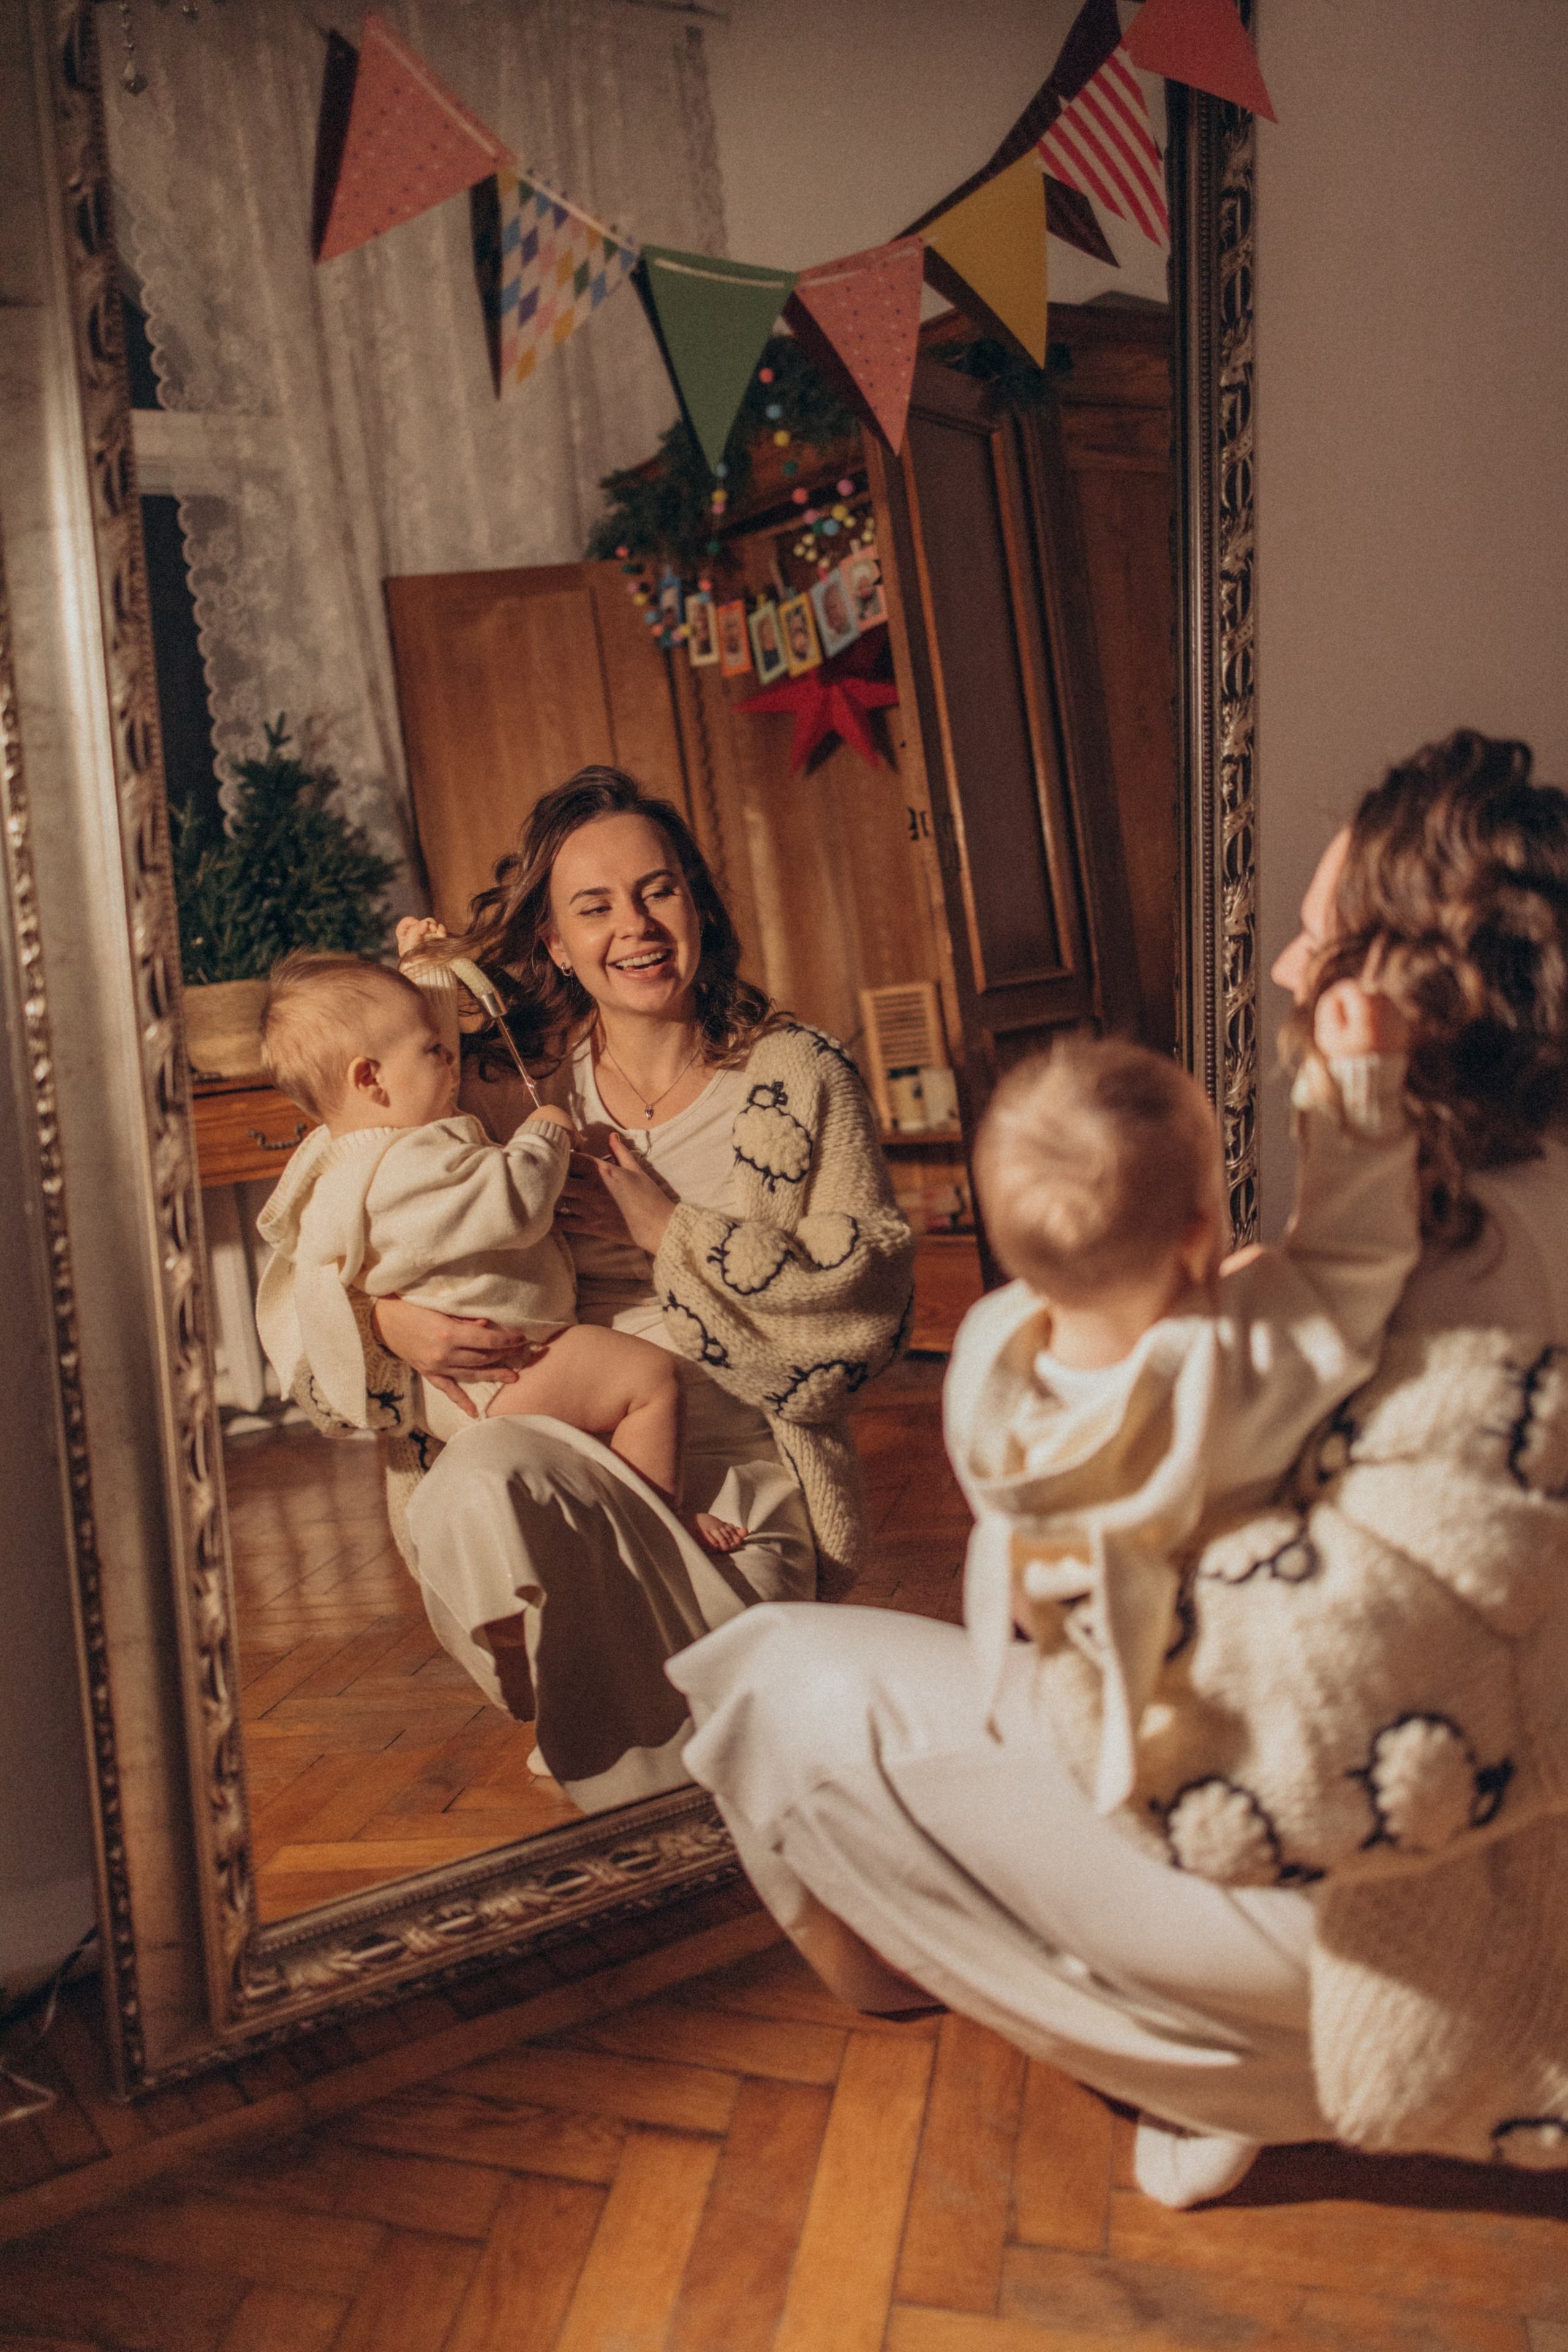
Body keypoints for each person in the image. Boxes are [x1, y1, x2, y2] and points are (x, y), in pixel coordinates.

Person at [671, 729, 1568, 2206]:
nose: (1284, 970)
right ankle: (1189, 2034)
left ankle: (1220, 2056)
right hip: (1385, 1807)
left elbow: (1333, 1677)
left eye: (1311, 935)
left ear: (1389, 993)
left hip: (1354, 1864)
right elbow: (1333, 1268)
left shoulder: (1433, 1271)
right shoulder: (1436, 1227)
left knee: (771, 1679)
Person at [287, 767, 915, 1813]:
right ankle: (616, 1710)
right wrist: (394, 1323)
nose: (636, 926)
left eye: (659, 892)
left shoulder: (799, 1075)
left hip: (736, 1484)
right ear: (554, 943)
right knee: (483, 1470)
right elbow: (336, 1221)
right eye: (596, 907)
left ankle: (641, 1736)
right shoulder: (493, 1086)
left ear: (699, 905)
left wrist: (673, 1233)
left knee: (695, 1721)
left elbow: (868, 1308)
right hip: (555, 1459)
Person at [954, 1019, 1415, 1820]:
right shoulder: (1240, 1357)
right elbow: (1356, 1254)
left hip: (1093, 1631)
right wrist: (1357, 1086)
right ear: (1200, 1234)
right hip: (1225, 1647)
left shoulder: (986, 1357)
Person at [252, 950, 742, 1553]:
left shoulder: (357, 1158)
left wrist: (426, 970)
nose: (450, 1064)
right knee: (650, 1379)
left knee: (604, 1411)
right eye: (433, 1052)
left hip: (492, 1372)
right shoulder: (404, 1167)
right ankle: (661, 1526)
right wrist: (548, 1131)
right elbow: (513, 1201)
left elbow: (413, 1042)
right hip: (498, 1373)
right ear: (369, 1078)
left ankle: (628, 1516)